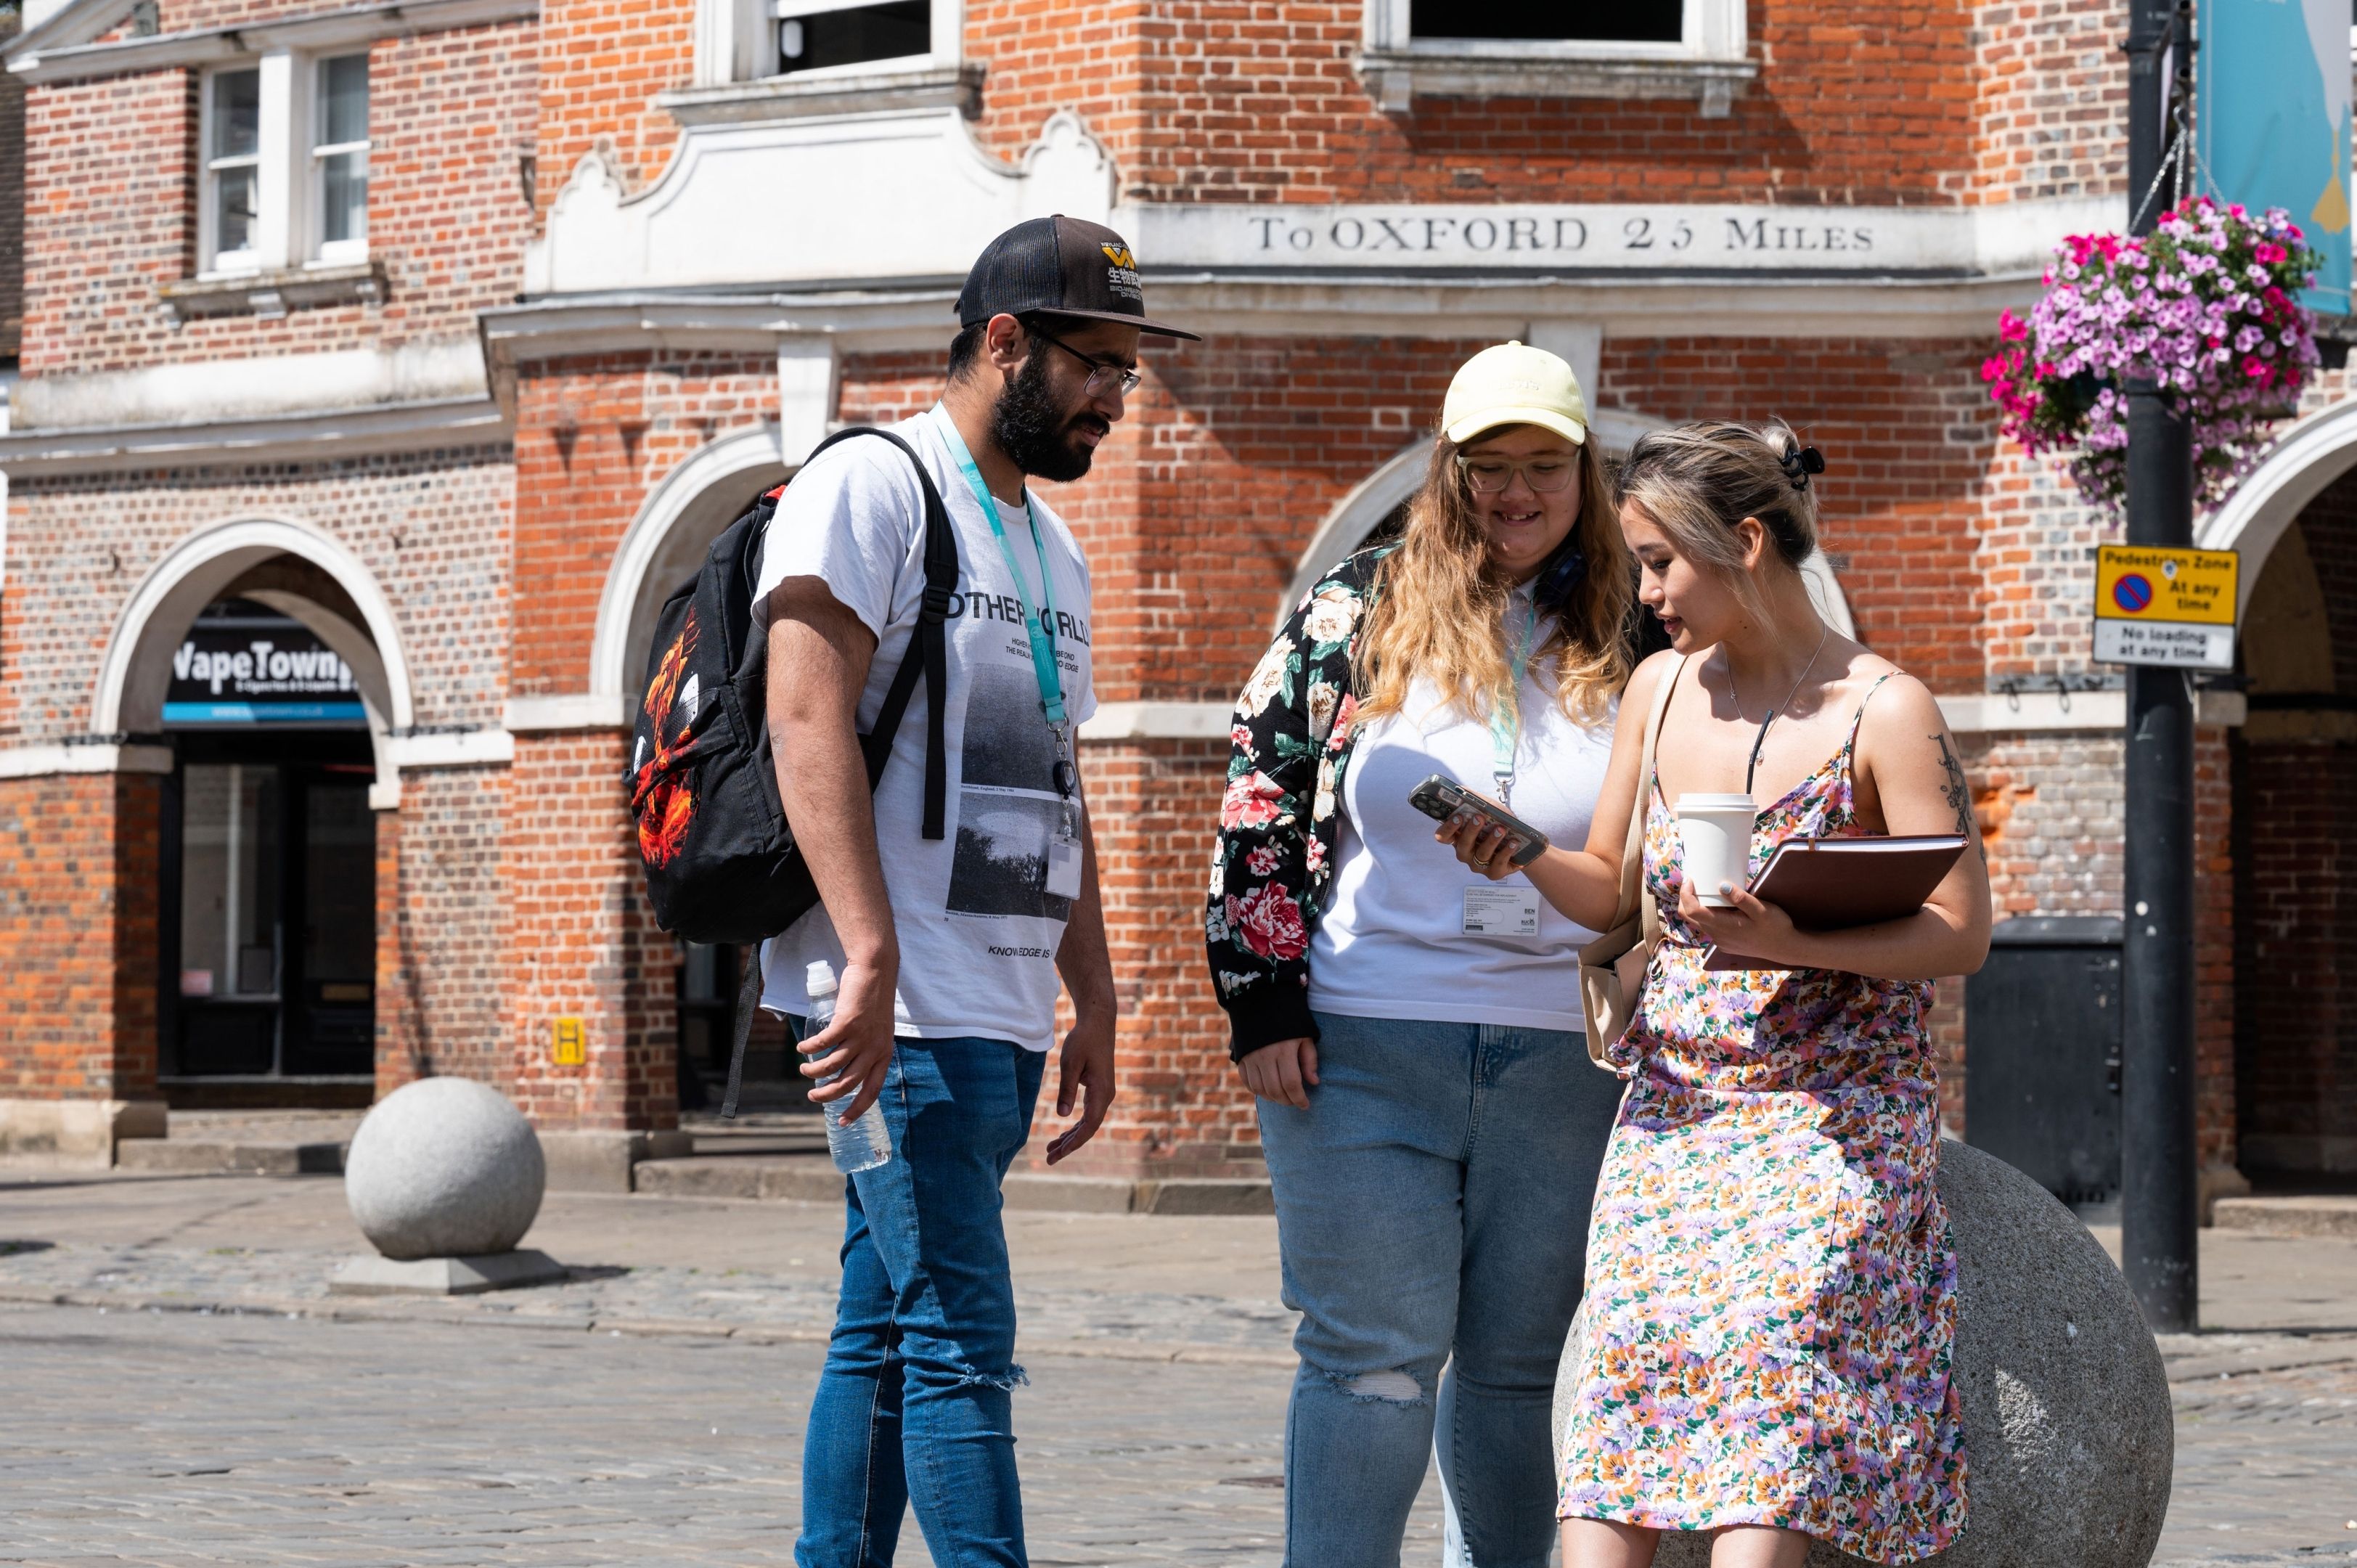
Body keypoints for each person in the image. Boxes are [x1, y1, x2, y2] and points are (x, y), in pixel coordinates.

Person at [1437, 420, 1990, 1567]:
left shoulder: (1885, 709)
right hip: (1677, 1109)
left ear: (1743, 541)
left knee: (1776, 1407)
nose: (1646, 593)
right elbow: (1606, 895)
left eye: (1659, 561)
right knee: (1621, 1413)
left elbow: (1959, 933)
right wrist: (1521, 850)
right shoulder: (1658, 689)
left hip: (1833, 1117)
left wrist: (1793, 942)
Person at [758, 214, 1196, 1567]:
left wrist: (1098, 995)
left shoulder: (1050, 549)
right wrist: (870, 955)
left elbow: (1052, 782)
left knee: (887, 1325)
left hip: (995, 1014)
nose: (1117, 398)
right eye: (1097, 365)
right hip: (895, 1010)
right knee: (961, 1338)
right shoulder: (873, 487)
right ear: (1004, 340)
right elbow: (804, 716)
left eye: (1128, 371)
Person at [1206, 341, 1636, 1567]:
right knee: (1371, 1363)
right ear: (1447, 475)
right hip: (1365, 1042)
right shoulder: (1353, 607)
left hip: (1569, 1058)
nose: (1515, 492)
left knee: (1518, 1370)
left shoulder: (1634, 626)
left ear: (1581, 473)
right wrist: (1262, 1000)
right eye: (1487, 467)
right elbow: (1261, 799)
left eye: (1542, 466)